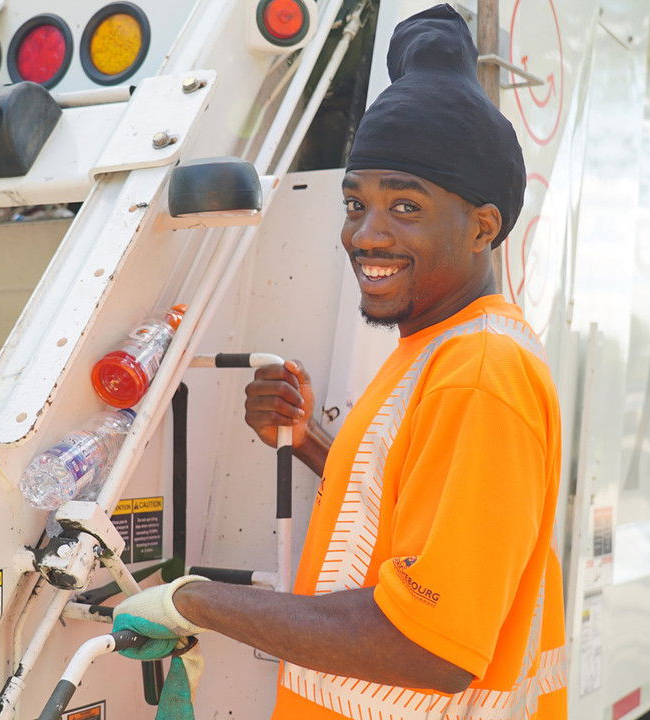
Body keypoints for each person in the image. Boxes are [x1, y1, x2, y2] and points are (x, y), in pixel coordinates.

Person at [114, 5, 567, 718]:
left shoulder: (480, 372)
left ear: (483, 227)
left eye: (406, 208)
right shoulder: (434, 347)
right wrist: (307, 442)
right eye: (356, 204)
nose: (366, 235)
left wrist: (193, 601)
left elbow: (431, 646)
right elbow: (412, 507)